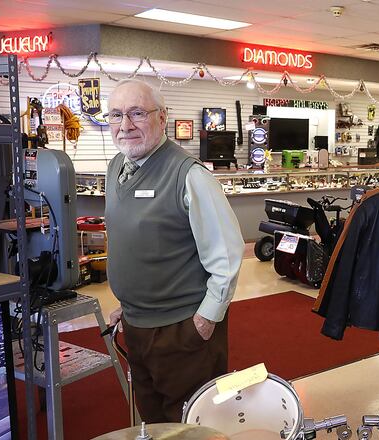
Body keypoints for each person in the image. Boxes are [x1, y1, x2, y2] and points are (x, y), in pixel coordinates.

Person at [104, 78, 244, 423]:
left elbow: (227, 255)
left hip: (182, 329)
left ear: (162, 117)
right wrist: (129, 301)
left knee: (190, 425)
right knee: (154, 422)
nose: (125, 126)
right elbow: (139, 244)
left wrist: (205, 319)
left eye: (137, 113)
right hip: (136, 324)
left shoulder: (189, 175)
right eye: (116, 115)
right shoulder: (115, 168)